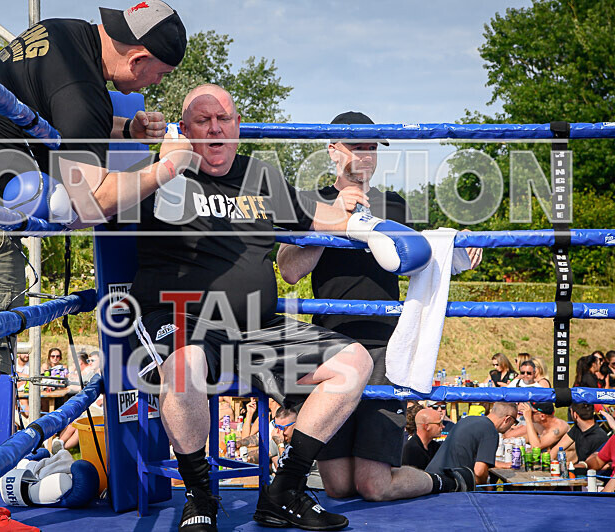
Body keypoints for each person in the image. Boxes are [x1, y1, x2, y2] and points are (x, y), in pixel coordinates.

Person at [0, 2, 191, 497]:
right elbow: (90, 203)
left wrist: (125, 130)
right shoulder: (84, 89)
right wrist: (165, 167)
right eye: (158, 74)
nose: (155, 84)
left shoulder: (64, 34)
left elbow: (57, 117)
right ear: (138, 58)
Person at [127, 86, 445, 531]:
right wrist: (159, 161)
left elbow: (317, 218)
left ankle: (285, 491)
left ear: (238, 126)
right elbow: (93, 203)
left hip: (255, 326)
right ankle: (199, 495)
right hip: (182, 317)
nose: (216, 128)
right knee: (185, 365)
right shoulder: (155, 174)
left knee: (352, 363)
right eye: (203, 120)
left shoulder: (261, 175)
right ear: (185, 128)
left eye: (224, 119)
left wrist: (359, 218)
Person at [275, 111, 481, 505]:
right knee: (337, 485)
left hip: (383, 346)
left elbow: (429, 255)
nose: (366, 155)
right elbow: (289, 269)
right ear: (333, 150)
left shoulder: (395, 204)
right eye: (357, 146)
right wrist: (334, 218)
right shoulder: (311, 203)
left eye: (372, 147)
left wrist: (460, 244)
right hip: (330, 347)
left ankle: (446, 480)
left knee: (374, 485)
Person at [426, 402, 517, 485]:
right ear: (507, 419)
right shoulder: (490, 431)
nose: (512, 426)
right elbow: (479, 472)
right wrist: (485, 486)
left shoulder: (467, 420)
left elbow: (466, 454)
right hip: (447, 484)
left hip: (430, 477)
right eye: (514, 422)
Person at [505, 402, 569, 451]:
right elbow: (509, 436)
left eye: (531, 412)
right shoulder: (538, 424)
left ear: (542, 416)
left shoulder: (559, 427)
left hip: (565, 463)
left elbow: (536, 447)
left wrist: (528, 419)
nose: (528, 414)